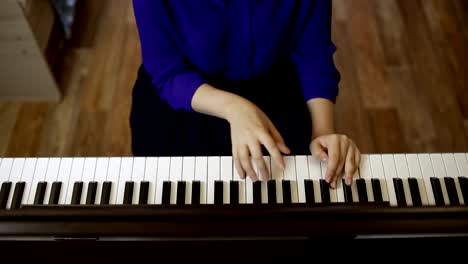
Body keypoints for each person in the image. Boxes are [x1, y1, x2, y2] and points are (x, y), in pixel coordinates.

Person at [130, 0, 361, 188]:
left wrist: (321, 133)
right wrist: (236, 108)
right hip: (187, 94)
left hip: (275, 85)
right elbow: (167, 72)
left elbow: (314, 53)